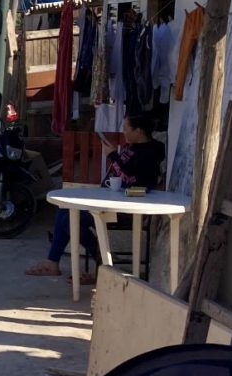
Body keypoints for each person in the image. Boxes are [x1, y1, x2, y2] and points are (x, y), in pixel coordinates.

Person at [26, 113, 165, 283]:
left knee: (69, 219)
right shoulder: (132, 146)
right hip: (109, 200)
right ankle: (53, 262)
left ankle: (102, 264)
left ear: (139, 131)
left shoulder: (151, 152)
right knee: (64, 210)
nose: (123, 132)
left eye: (126, 128)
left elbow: (132, 180)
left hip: (125, 209)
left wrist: (113, 155)